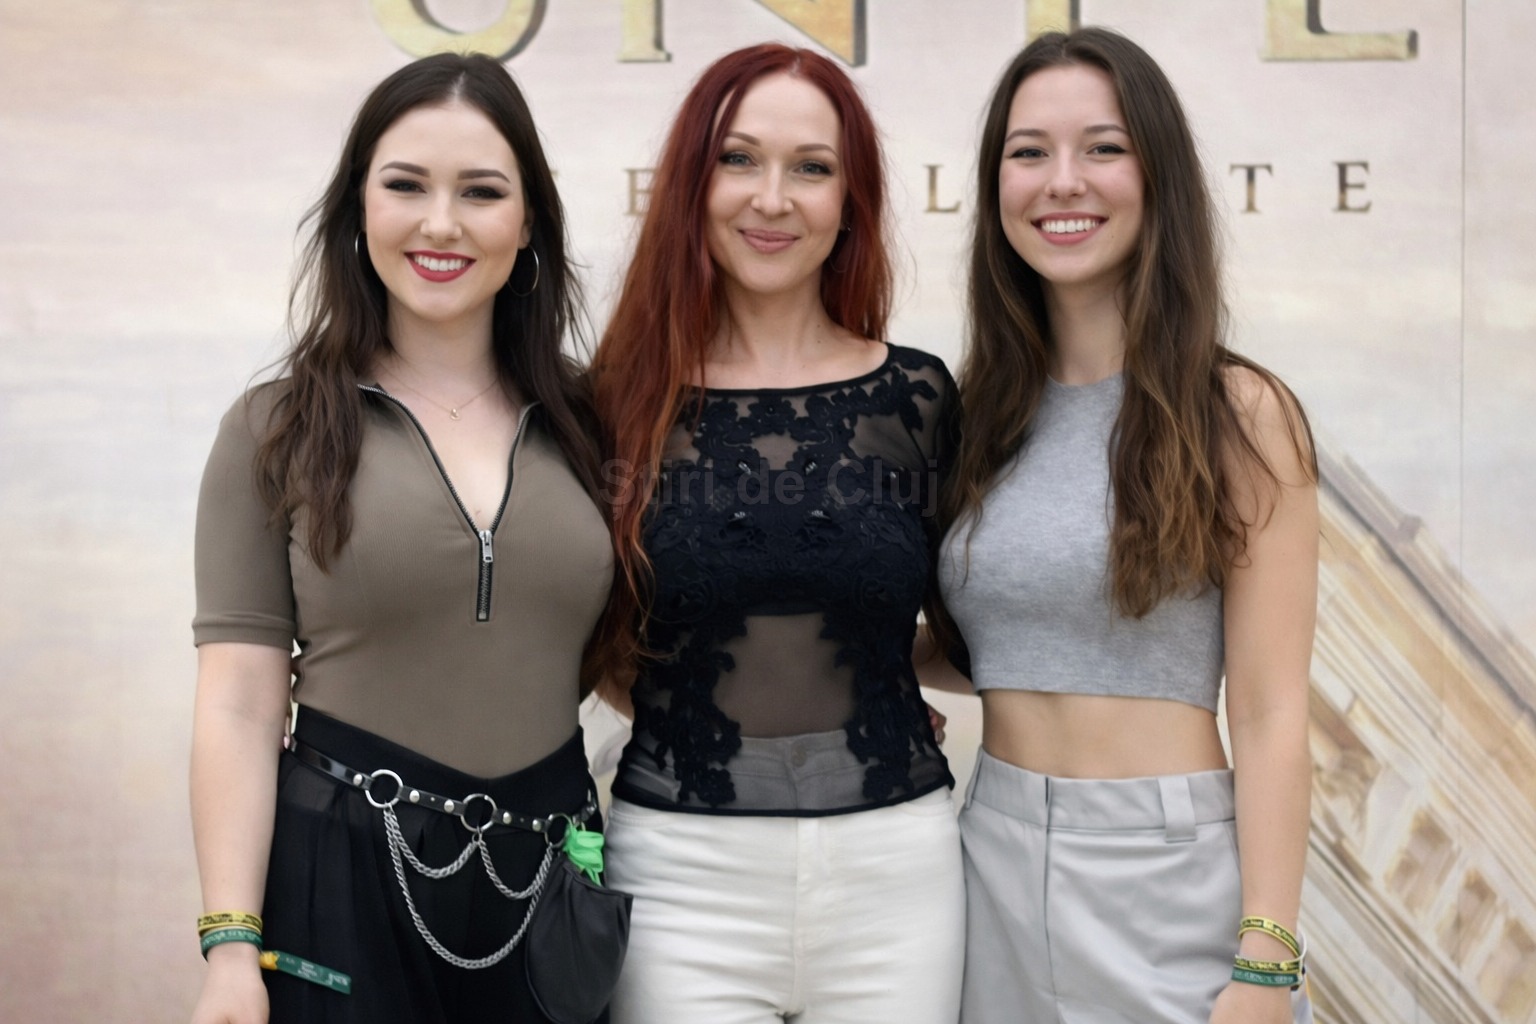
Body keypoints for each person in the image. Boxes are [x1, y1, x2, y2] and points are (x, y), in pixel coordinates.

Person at [189, 53, 615, 1024]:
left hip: (549, 885)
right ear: (358, 207)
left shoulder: (600, 420)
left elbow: (641, 653)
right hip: (335, 878)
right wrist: (230, 947)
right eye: (406, 185)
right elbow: (239, 706)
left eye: (482, 192)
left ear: (529, 222)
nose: (441, 223)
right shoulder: (273, 427)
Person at [929, 27, 1318, 1024]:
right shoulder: (974, 418)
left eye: (1103, 147)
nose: (1063, 181)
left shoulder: (1237, 413)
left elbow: (1270, 710)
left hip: (1169, 877)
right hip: (990, 860)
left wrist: (1266, 959)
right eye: (1029, 152)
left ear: (1157, 176)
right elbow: (1006, 638)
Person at [588, 42, 965, 1024]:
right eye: (739, 159)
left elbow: (975, 626)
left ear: (851, 200)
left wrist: (877, 666)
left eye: (811, 167)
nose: (772, 198)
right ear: (692, 182)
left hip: (897, 873)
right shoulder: (611, 405)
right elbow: (581, 628)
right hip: (679, 876)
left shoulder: (917, 396)